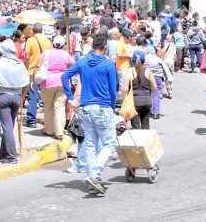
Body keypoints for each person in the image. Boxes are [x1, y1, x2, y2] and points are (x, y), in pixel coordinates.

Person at [61, 33, 117, 194]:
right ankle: (95, 174)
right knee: (110, 143)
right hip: (102, 108)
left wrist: (71, 98)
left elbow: (65, 76)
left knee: (91, 145)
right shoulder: (108, 64)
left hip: (85, 108)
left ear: (92, 47)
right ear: (105, 48)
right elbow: (113, 90)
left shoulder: (82, 62)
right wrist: (112, 108)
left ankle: (93, 179)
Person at [0, 40, 30, 164]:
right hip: (16, 97)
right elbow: (27, 82)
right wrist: (23, 97)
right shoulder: (20, 64)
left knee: (7, 127)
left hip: (2, 96)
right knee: (9, 126)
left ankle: (12, 156)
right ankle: (4, 153)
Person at [37, 35, 74, 140]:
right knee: (60, 106)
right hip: (63, 82)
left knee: (48, 106)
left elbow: (38, 65)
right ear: (63, 45)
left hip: (47, 82)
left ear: (53, 43)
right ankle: (59, 132)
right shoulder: (66, 55)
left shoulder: (46, 53)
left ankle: (49, 130)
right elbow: (73, 65)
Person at [24, 24, 52, 128]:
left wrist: (25, 68)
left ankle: (32, 120)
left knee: (33, 96)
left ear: (33, 31)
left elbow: (27, 57)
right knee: (46, 97)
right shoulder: (48, 41)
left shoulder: (30, 41)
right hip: (45, 72)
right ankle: (47, 119)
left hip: (33, 71)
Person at [122, 51, 156, 130]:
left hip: (134, 103)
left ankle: (139, 142)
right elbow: (154, 88)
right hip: (147, 102)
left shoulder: (130, 71)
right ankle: (147, 142)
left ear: (132, 60)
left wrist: (124, 102)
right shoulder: (148, 71)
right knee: (146, 127)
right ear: (144, 61)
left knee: (136, 128)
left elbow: (125, 89)